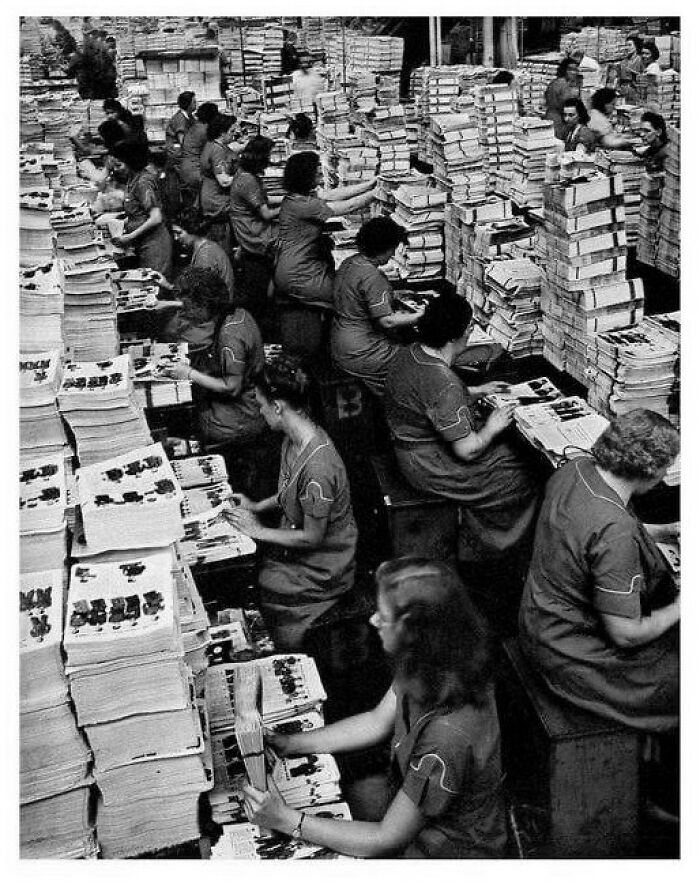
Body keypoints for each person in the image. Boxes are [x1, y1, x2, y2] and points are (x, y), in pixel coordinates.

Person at [242, 557, 508, 859]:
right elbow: (375, 722)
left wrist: (287, 820)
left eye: (383, 615)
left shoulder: (446, 738)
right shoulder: (436, 663)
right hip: (418, 812)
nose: (373, 621)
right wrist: (289, 743)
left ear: (411, 630)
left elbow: (386, 839)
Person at [519, 409, 680, 733]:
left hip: (539, 621)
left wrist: (667, 529)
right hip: (574, 654)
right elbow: (627, 633)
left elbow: (586, 537)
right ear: (650, 470)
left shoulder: (576, 470)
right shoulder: (614, 530)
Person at [384, 292, 540, 564]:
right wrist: (493, 426)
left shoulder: (409, 354)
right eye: (469, 327)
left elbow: (424, 396)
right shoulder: (445, 383)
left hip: (407, 452)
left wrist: (477, 391)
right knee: (523, 473)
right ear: (458, 336)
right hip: (428, 467)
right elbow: (468, 451)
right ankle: (490, 548)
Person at [226, 354, 357, 651]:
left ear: (277, 406)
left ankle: (289, 645)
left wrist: (258, 530)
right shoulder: (294, 439)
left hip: (324, 567)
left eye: (260, 403)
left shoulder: (318, 469)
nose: (259, 410)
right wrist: (256, 507)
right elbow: (290, 492)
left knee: (266, 581)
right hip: (301, 548)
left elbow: (313, 536)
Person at [274, 152, 377, 354]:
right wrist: (378, 193)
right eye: (318, 173)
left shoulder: (297, 198)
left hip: (292, 267)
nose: (322, 177)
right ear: (306, 176)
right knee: (348, 299)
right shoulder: (304, 205)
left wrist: (371, 183)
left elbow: (334, 195)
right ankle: (346, 352)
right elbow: (348, 206)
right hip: (300, 274)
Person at [161, 267, 266, 445]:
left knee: (187, 417)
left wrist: (188, 373)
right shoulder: (238, 312)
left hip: (242, 416)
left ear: (204, 306)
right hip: (255, 399)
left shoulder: (229, 336)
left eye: (188, 308)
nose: (184, 313)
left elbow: (231, 387)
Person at [331, 217, 425, 397]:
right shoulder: (373, 277)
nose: (392, 255)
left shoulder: (349, 263)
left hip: (340, 343)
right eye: (392, 249)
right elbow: (387, 321)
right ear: (385, 248)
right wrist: (421, 315)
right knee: (420, 359)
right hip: (363, 352)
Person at [229, 136, 280, 325]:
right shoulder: (248, 180)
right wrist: (293, 205)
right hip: (256, 235)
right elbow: (266, 213)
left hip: (249, 234)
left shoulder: (244, 175)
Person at [110, 139, 173, 278]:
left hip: (155, 245)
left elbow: (156, 218)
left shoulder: (143, 182)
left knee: (155, 284)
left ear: (130, 163)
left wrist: (129, 237)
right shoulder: (132, 180)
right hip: (143, 243)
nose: (115, 169)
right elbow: (138, 213)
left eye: (119, 165)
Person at [167, 213, 236, 301]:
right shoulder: (206, 245)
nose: (176, 238)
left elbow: (203, 301)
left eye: (179, 233)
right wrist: (168, 285)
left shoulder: (205, 256)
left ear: (192, 231)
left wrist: (166, 304)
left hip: (219, 309)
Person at [199, 113, 243, 253]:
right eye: (231, 131)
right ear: (221, 133)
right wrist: (243, 176)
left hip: (210, 197)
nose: (233, 134)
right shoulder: (218, 151)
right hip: (217, 202)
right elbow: (224, 181)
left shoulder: (213, 145)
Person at [178, 101, 219, 205]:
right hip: (195, 171)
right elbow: (215, 148)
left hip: (186, 168)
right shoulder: (204, 130)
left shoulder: (197, 126)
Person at [164, 91, 196, 218]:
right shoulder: (180, 120)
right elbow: (183, 141)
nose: (196, 104)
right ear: (188, 104)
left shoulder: (190, 118)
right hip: (177, 156)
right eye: (194, 102)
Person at [544, 56, 580, 140]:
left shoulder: (554, 82)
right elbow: (566, 105)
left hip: (549, 117)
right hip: (559, 121)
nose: (574, 73)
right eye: (570, 70)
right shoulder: (563, 84)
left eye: (575, 70)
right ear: (564, 70)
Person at [619, 35, 644, 102]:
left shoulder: (640, 59)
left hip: (635, 90)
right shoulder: (623, 61)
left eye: (630, 45)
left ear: (636, 46)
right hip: (623, 90)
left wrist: (633, 72)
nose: (627, 47)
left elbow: (644, 76)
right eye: (626, 45)